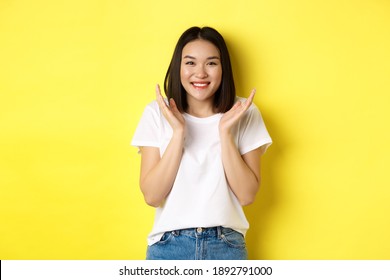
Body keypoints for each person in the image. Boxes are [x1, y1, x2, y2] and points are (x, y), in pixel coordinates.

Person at [131, 26, 272, 260]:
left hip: (226, 247)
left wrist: (225, 133)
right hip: (168, 247)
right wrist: (178, 132)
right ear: (178, 67)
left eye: (211, 63)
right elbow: (152, 196)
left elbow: (247, 195)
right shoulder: (157, 112)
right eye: (190, 63)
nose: (200, 73)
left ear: (223, 68)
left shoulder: (244, 112)